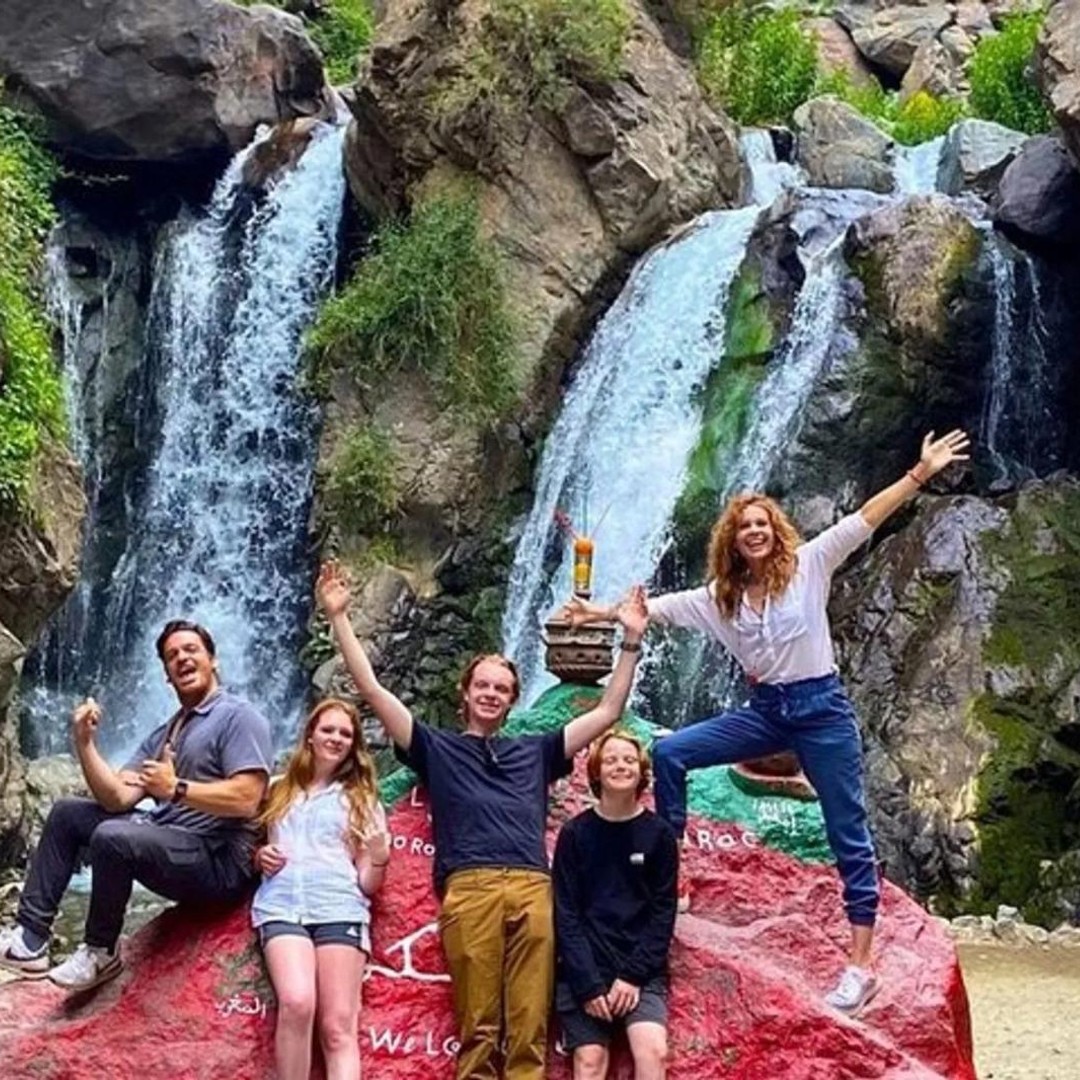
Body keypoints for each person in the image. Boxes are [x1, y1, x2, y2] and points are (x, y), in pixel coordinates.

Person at [567, 430, 971, 1016]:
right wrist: (598, 611)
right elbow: (650, 610)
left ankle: (861, 966)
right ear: (730, 542)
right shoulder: (720, 598)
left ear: (775, 531)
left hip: (821, 711)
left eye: (762, 524)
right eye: (743, 527)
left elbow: (865, 519)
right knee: (674, 752)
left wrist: (920, 472)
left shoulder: (811, 564)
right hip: (766, 713)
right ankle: (671, 877)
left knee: (847, 832)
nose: (753, 532)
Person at [316, 560, 648, 1080]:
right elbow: (375, 693)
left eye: (502, 689)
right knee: (478, 1029)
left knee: (528, 1029)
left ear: (513, 701)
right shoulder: (436, 748)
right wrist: (339, 618)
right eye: (483, 686)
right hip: (469, 887)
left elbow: (607, 713)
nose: (491, 694)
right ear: (465, 693)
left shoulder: (536, 751)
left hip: (534, 888)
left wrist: (629, 640)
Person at [0, 619, 272, 992]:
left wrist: (176, 788)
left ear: (213, 660)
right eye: (172, 656)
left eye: (191, 650)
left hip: (220, 860)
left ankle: (100, 951)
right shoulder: (167, 731)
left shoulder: (238, 717)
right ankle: (30, 940)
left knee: (115, 836)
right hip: (173, 844)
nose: (182, 659)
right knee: (68, 813)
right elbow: (115, 797)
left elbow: (248, 798)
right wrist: (84, 743)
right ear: (166, 676)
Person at [252, 697, 389, 1080]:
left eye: (345, 733)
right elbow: (245, 846)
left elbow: (368, 883)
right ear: (310, 735)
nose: (336, 738)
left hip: (340, 909)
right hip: (281, 908)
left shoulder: (362, 801)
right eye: (328, 729)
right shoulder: (278, 790)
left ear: (354, 745)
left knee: (337, 1026)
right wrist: (259, 855)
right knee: (296, 1002)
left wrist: (379, 856)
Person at [553, 729, 678, 1080]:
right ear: (595, 772)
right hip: (584, 969)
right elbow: (566, 912)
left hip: (641, 970)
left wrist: (632, 976)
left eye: (628, 760)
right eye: (610, 760)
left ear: (641, 771)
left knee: (652, 1051)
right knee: (590, 1061)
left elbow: (663, 911)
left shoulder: (660, 835)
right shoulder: (575, 834)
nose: (620, 766)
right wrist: (589, 984)